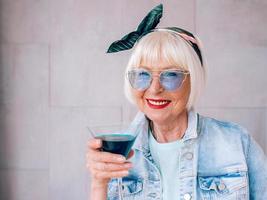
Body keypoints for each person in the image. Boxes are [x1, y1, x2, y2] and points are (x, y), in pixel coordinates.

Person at [86, 4, 267, 200]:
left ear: (194, 79)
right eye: (143, 74)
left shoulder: (237, 142)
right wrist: (99, 184)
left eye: (171, 74)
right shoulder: (115, 154)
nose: (154, 89)